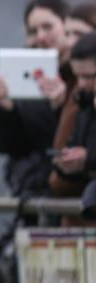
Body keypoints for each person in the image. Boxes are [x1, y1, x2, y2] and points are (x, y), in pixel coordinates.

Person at [0, 0, 71, 197]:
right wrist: (5, 110)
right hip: (34, 191)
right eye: (33, 31)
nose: (41, 36)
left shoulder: (83, 77)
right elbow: (10, 146)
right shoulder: (23, 75)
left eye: (47, 26)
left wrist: (61, 108)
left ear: (66, 25)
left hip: (72, 192)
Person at [50, 32, 96, 221]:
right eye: (77, 76)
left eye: (88, 76)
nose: (81, 84)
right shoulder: (84, 104)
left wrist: (87, 159)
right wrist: (68, 164)